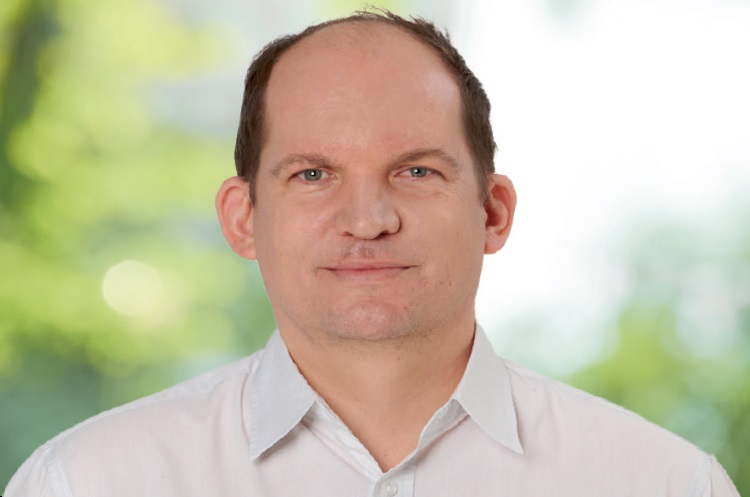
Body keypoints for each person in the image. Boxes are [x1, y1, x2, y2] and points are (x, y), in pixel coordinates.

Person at [4, 10, 740, 497]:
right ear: (244, 218)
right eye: (312, 174)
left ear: (492, 212)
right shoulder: (85, 483)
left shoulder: (666, 484)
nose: (367, 220)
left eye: (415, 171)